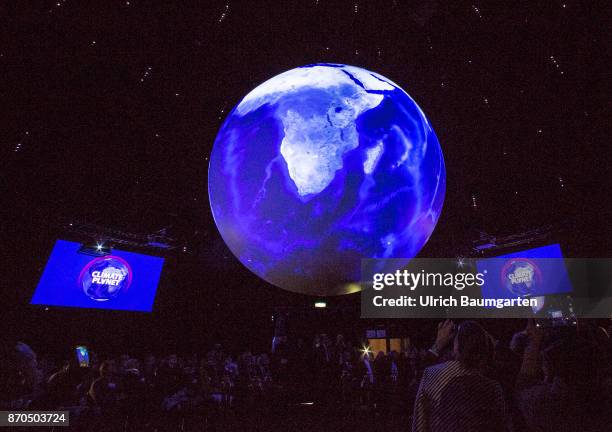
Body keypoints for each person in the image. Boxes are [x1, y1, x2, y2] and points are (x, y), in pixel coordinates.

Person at [412, 320, 506, 432]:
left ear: (456, 347)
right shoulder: (495, 382)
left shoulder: (436, 375)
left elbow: (420, 421)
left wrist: (437, 345)